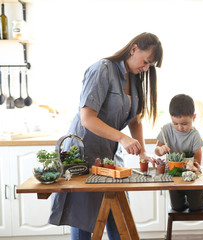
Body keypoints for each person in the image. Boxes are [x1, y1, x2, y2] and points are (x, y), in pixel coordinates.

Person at [48, 32, 163, 240]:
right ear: (134, 49)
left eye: (150, 66)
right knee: (83, 220)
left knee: (118, 218)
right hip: (83, 152)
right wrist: (122, 138)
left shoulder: (135, 78)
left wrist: (143, 151)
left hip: (109, 154)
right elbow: (87, 118)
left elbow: (135, 119)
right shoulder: (102, 69)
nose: (145, 69)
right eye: (145, 62)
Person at [154, 94, 203, 211]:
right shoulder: (166, 129)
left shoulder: (194, 135)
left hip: (191, 175)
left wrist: (185, 164)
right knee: (177, 207)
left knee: (197, 207)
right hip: (174, 176)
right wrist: (161, 149)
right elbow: (157, 151)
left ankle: (201, 196)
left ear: (194, 118)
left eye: (184, 124)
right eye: (175, 123)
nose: (179, 127)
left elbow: (197, 159)